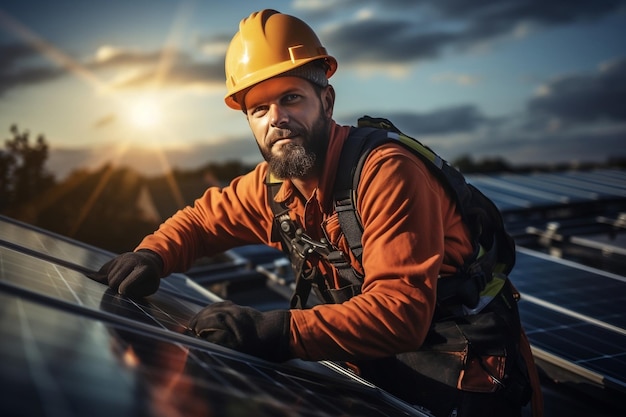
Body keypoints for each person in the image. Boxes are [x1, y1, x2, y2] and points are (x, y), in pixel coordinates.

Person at [92, 9, 542, 417]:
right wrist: (153, 255)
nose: (276, 119)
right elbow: (202, 221)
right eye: (259, 109)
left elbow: (400, 312)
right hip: (373, 370)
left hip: (461, 378)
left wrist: (276, 331)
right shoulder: (273, 185)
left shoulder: (385, 172)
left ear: (325, 101)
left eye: (291, 98)